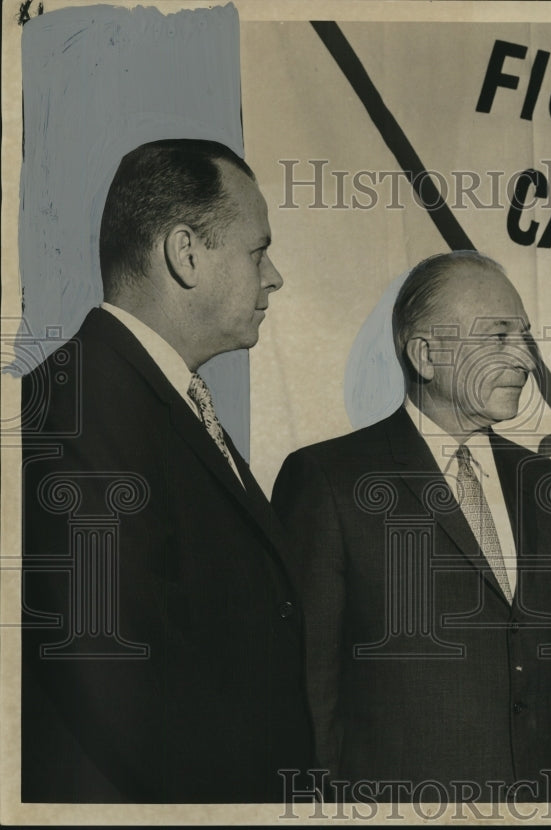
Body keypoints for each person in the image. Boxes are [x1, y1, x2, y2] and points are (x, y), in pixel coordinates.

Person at [20, 139, 313, 803]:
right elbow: (112, 670)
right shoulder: (78, 410)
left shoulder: (137, 398)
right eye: (257, 251)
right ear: (185, 253)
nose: (273, 277)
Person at [271, 250, 551, 802]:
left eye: (525, 336)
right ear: (426, 355)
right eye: (499, 336)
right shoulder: (329, 481)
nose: (526, 358)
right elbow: (311, 693)